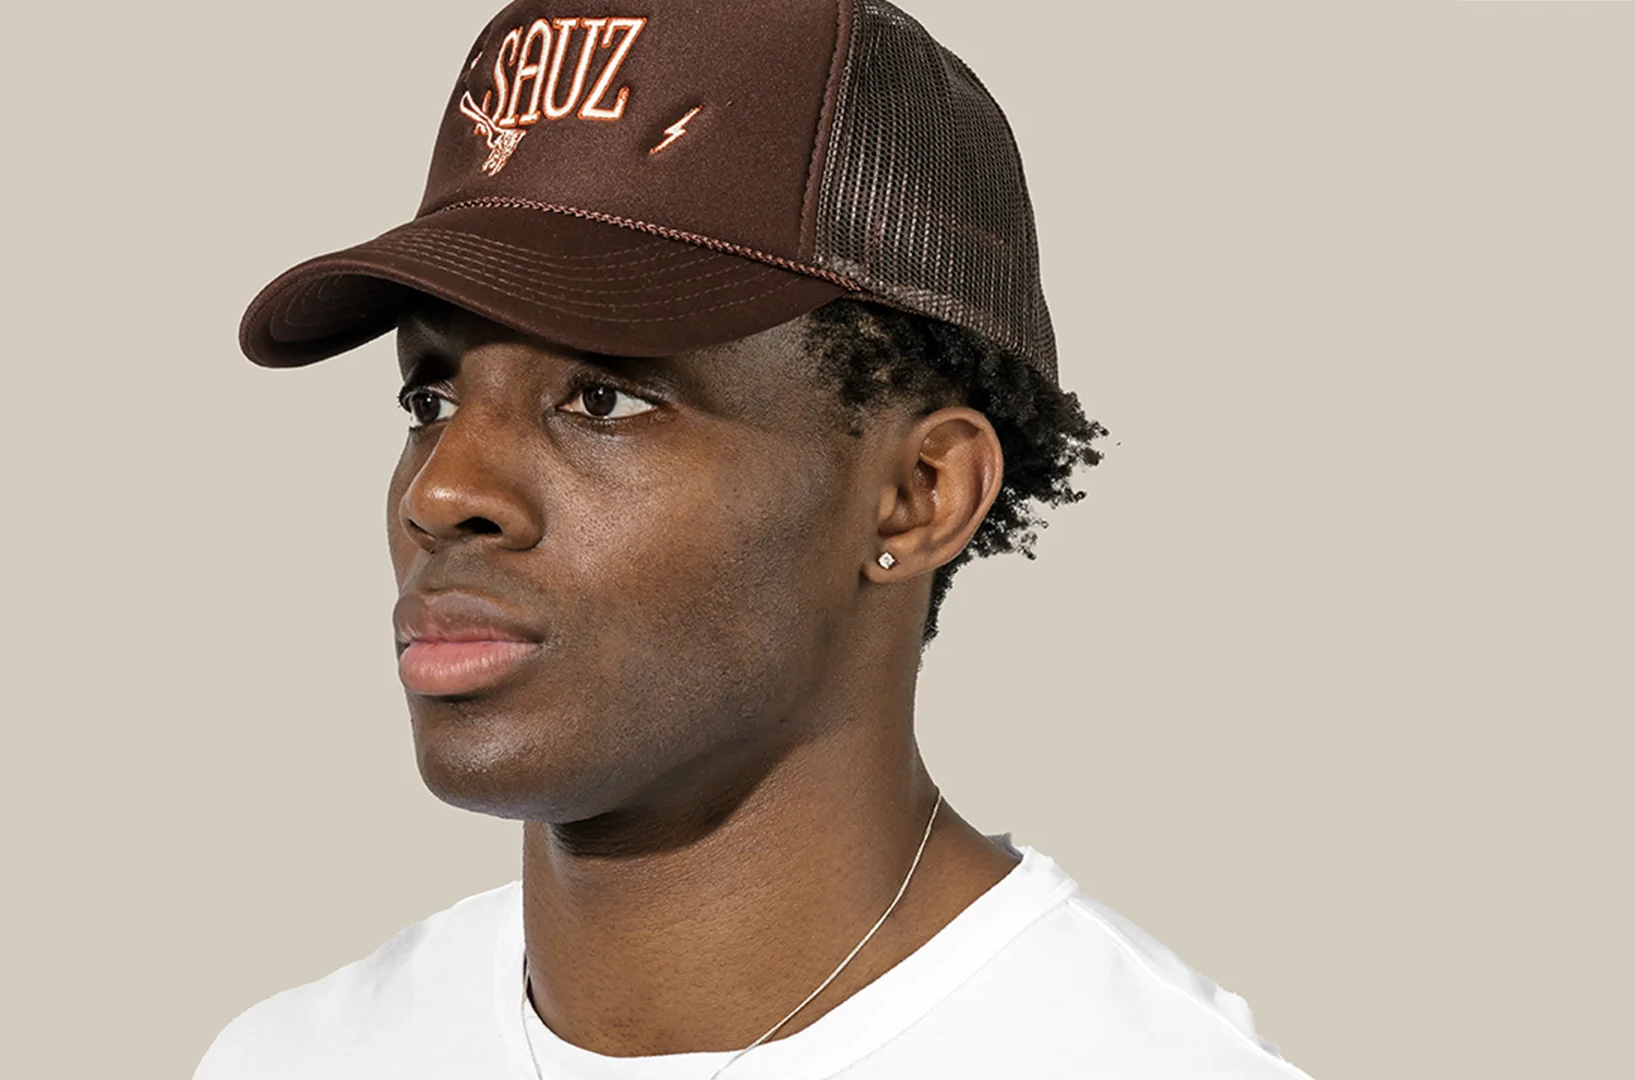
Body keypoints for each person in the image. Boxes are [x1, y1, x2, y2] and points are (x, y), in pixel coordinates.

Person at [199, 1, 1312, 1077]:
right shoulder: (289, 1060)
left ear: (918, 495)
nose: (444, 491)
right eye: (429, 400)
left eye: (603, 400)